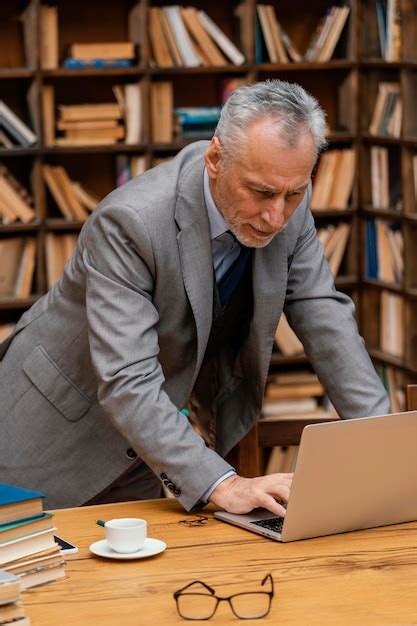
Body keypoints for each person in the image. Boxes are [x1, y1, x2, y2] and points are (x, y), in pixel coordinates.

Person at [0, 80, 389, 515]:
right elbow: (128, 379)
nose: (276, 215)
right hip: (49, 428)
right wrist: (224, 483)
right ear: (216, 158)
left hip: (149, 441)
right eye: (261, 192)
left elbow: (325, 317)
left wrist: (386, 448)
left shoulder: (284, 195)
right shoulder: (130, 222)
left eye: (294, 194)